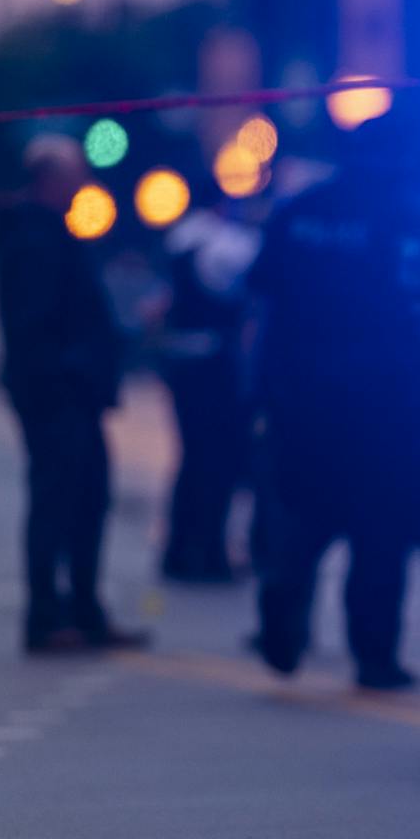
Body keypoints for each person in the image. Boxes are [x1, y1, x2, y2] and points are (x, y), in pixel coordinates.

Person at [247, 111, 420, 691]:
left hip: (300, 399)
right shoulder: (403, 216)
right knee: (380, 535)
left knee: (300, 524)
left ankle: (282, 630)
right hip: (381, 405)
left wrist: (259, 391)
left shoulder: (297, 213)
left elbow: (261, 305)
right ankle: (374, 656)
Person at [0, 134, 148, 655]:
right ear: (50, 178)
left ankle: (83, 610)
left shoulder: (44, 233)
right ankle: (48, 616)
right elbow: (42, 324)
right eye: (73, 175)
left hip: (70, 391)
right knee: (59, 503)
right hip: (58, 394)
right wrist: (74, 369)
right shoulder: (34, 239)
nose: (81, 184)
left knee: (86, 501)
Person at [157, 205, 261, 583]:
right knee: (219, 461)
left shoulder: (183, 238)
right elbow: (249, 276)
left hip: (183, 362)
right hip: (214, 366)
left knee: (193, 459)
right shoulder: (222, 243)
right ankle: (208, 552)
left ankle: (181, 549)